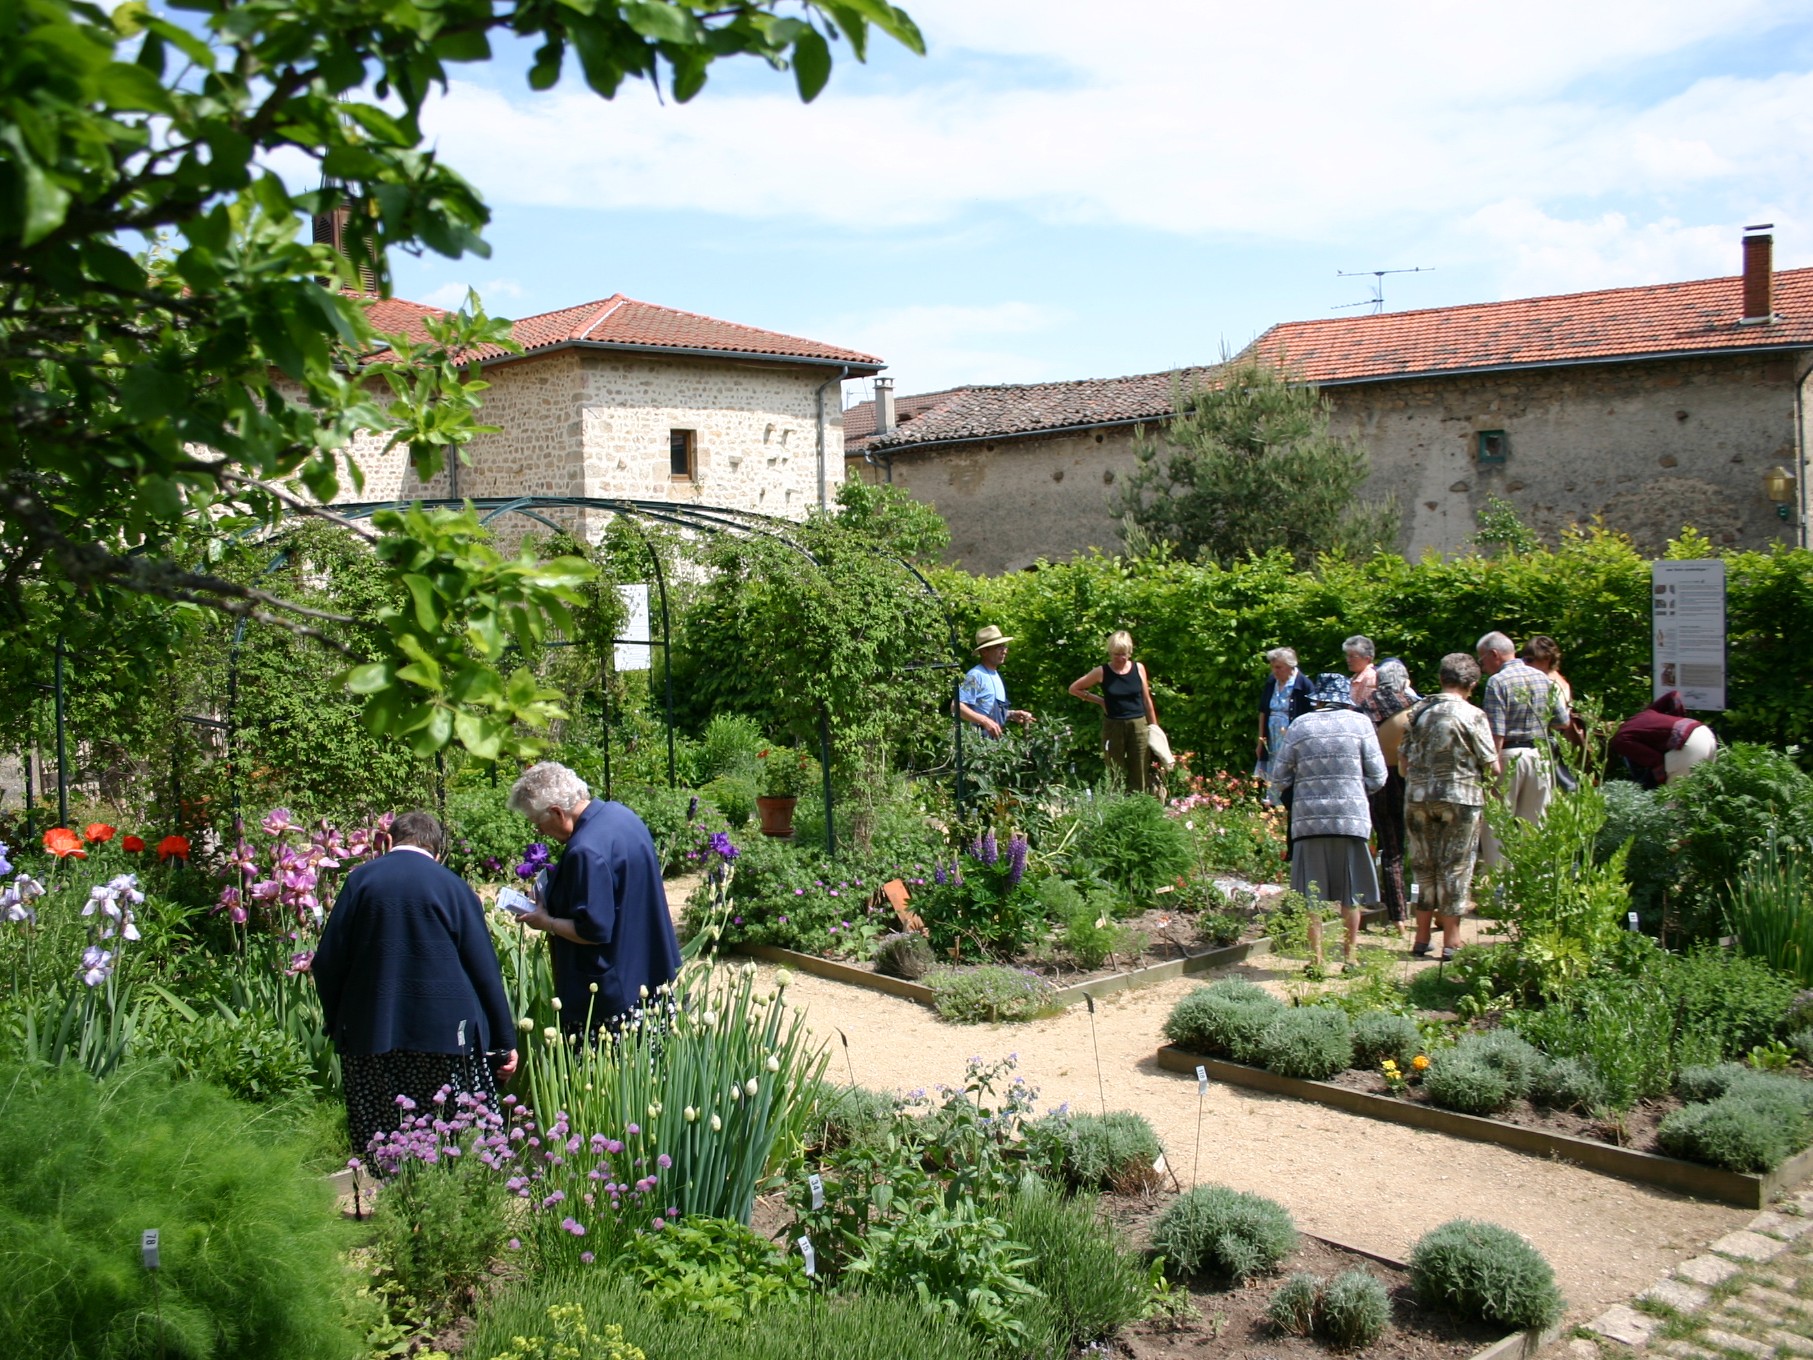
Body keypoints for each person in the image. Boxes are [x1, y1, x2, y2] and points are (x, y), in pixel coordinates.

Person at [310, 810, 518, 1159]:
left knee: (387, 1138)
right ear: (437, 851)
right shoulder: (453, 887)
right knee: (456, 1137)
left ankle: (400, 1204)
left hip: (373, 1032)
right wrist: (503, 1041)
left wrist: (339, 1022)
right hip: (450, 1036)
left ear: (388, 841)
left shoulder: (360, 882)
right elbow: (484, 971)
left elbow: (327, 963)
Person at [507, 761, 682, 1034]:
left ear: (556, 812)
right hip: (650, 978)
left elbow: (592, 930)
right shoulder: (621, 815)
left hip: (613, 1000)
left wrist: (546, 921)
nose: (539, 832)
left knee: (607, 1076)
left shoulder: (585, 850)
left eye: (537, 823)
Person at [1270, 673, 1387, 964]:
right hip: (1351, 820)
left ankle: (1316, 960)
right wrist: (1357, 793)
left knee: (1312, 894)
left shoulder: (1300, 725)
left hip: (1308, 822)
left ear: (1318, 698)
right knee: (1351, 892)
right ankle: (1350, 957)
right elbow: (1379, 776)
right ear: (1345, 698)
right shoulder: (1360, 724)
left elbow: (1279, 776)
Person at [1400, 653, 1501, 961]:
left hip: (1417, 796)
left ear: (1442, 678)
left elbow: (1403, 762)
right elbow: (1492, 766)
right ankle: (1452, 941)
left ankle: (1420, 938)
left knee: (1424, 865)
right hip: (1460, 797)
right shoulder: (1472, 715)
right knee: (1455, 865)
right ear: (1471, 683)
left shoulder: (1417, 711)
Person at [1474, 630, 1570, 868]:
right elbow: (1563, 721)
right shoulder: (1543, 678)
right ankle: (1535, 886)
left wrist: (1490, 768)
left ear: (1494, 654)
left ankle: (1500, 891)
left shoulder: (1497, 682)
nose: (1482, 666)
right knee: (1535, 823)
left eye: (1482, 659)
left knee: (1498, 825)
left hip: (1508, 756)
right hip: (1540, 756)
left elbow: (1496, 731)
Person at [1360, 658, 1418, 930]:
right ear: (1404, 680)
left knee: (1390, 849)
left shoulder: (1365, 707)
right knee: (1424, 847)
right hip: (1414, 781)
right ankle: (1429, 908)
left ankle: (1397, 916)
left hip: (1380, 781)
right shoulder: (1416, 706)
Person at [1068, 629, 1159, 794]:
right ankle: (1116, 805)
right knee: (1115, 769)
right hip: (1113, 724)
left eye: (1124, 654)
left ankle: (1139, 805)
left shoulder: (1138, 669)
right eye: (1116, 654)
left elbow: (1147, 700)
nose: (1120, 658)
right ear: (1110, 653)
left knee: (1139, 767)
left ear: (1130, 652)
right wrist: (1100, 701)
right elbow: (1074, 689)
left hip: (1138, 724)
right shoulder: (1102, 672)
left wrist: (1155, 727)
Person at [1610, 691, 1719, 789]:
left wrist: (1658, 785)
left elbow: (1656, 761)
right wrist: (1679, 721)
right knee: (1702, 794)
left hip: (1690, 745)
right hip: (1704, 732)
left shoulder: (1620, 739)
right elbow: (1673, 695)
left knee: (1673, 805)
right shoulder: (1643, 714)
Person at [1255, 646, 1315, 804]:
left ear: (1291, 666)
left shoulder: (1303, 684)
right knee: (1273, 767)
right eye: (1273, 667)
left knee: (1290, 768)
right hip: (1272, 736)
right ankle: (1274, 804)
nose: (1275, 671)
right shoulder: (1271, 682)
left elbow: (1312, 713)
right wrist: (1261, 740)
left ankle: (1289, 805)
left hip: (1291, 736)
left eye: (1278, 667)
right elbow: (1263, 711)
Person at [959, 625, 1034, 739]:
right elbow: (957, 706)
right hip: (979, 743)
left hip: (994, 744)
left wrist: (1011, 715)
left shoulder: (995, 675)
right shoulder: (976, 675)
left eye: (1004, 646)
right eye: (999, 647)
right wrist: (985, 721)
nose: (1004, 651)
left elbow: (987, 710)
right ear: (984, 651)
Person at [1344, 635, 1379, 710]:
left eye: (1352, 656)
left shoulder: (1371, 677)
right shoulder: (1355, 677)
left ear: (1367, 659)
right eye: (1347, 656)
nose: (1348, 660)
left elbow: (1369, 709)